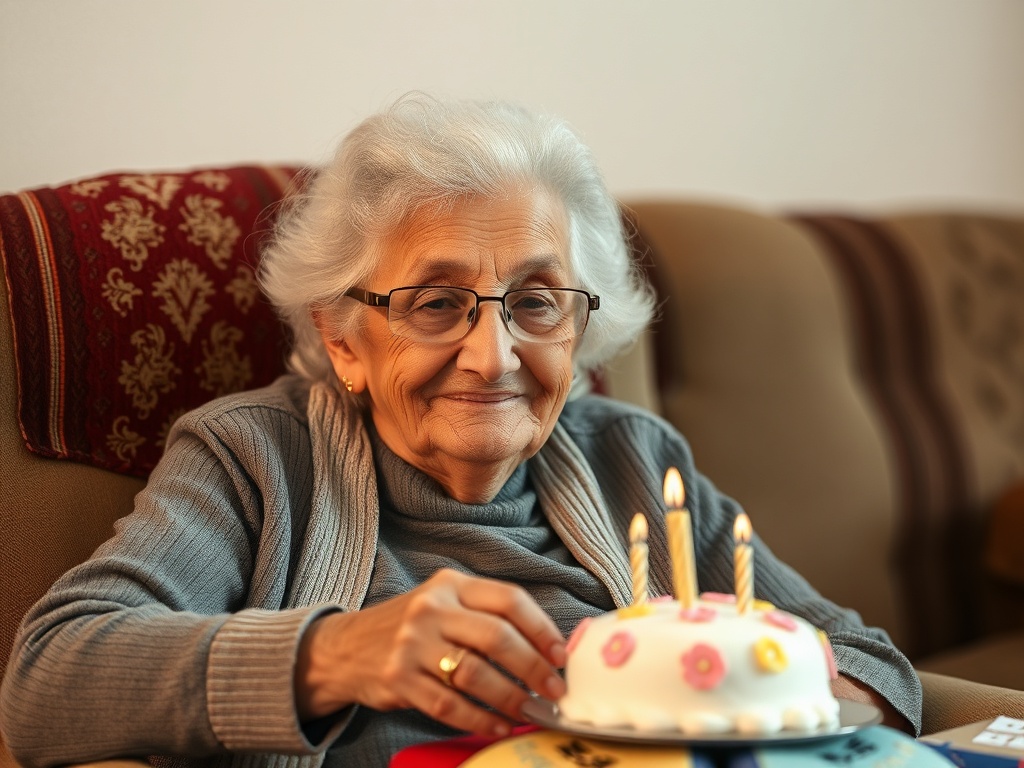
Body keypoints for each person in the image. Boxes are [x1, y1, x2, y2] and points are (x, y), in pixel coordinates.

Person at [0, 93, 921, 768]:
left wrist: (736, 698)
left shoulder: (632, 458)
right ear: (342, 336)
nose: (494, 356)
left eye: (536, 301)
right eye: (437, 303)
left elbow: (872, 663)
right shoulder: (254, 458)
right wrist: (335, 655)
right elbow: (46, 679)